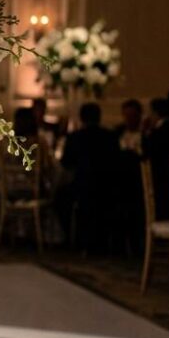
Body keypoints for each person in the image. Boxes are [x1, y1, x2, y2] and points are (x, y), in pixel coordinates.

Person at [59, 103, 120, 253]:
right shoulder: (111, 136)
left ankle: (70, 239)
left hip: (83, 187)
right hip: (107, 187)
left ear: (81, 118)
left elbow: (66, 163)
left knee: (59, 198)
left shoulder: (74, 137)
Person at [144, 98, 169, 220]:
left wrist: (147, 132)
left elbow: (149, 150)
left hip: (161, 172)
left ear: (156, 113)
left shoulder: (159, 131)